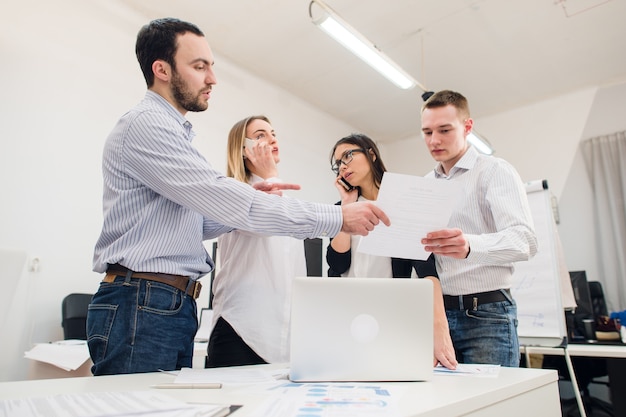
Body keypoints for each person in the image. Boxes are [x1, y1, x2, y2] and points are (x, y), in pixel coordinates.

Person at [87, 17, 389, 376]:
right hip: (146, 300)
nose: (212, 78)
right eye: (200, 67)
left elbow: (199, 222)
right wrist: (338, 217)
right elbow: (234, 206)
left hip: (168, 303)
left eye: (211, 67)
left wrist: (251, 192)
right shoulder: (147, 125)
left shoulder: (177, 133)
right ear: (162, 69)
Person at [419, 90, 538, 367]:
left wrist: (470, 246)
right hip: (438, 318)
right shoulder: (424, 184)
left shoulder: (495, 171)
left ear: (467, 127)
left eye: (444, 130)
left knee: (493, 408)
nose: (434, 140)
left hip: (487, 315)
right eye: (427, 132)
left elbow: (525, 241)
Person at [326, 133, 457, 370]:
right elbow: (337, 264)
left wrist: (439, 329)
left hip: (391, 312)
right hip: (349, 311)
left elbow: (427, 270)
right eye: (338, 163)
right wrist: (346, 206)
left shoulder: (403, 203)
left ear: (371, 154)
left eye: (348, 156)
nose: (343, 166)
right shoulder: (342, 209)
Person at [207, 115, 306, 367]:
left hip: (281, 338)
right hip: (240, 330)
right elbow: (266, 222)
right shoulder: (233, 191)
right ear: (243, 150)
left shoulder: (286, 201)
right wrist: (270, 174)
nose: (272, 139)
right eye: (261, 135)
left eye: (273, 133)